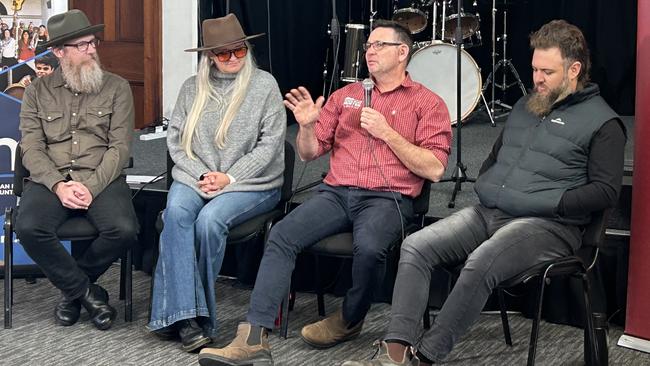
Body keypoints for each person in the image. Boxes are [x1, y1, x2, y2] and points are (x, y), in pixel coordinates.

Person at [342, 19, 626, 366]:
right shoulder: (526, 106)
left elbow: (605, 192)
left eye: (547, 72)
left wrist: (552, 202)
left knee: (480, 263)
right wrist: (491, 187)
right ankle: (395, 354)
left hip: (549, 225)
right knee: (416, 246)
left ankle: (426, 357)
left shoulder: (604, 123)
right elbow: (493, 159)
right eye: (535, 68)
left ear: (574, 69)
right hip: (490, 213)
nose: (537, 78)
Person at [199, 19, 452, 366]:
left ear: (403, 52)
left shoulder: (428, 103)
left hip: (387, 196)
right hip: (336, 193)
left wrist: (388, 133)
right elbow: (308, 152)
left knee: (371, 248)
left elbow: (435, 169)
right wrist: (305, 126)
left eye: (380, 45)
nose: (370, 51)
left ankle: (350, 318)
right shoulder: (345, 96)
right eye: (368, 46)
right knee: (283, 235)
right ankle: (253, 336)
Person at [147, 13, 286, 353]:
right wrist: (201, 175)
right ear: (209, 56)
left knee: (209, 221)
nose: (233, 59)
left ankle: (189, 318)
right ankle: (188, 320)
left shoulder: (264, 85)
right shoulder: (192, 88)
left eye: (239, 51)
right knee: (175, 216)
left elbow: (270, 145)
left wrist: (230, 176)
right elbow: (176, 142)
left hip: (251, 182)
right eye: (223, 54)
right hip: (197, 177)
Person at [16, 9, 138, 331]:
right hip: (51, 179)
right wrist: (58, 185)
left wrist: (91, 187)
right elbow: (31, 147)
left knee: (124, 228)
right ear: (58, 52)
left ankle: (71, 294)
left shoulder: (117, 87)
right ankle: (86, 293)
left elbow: (120, 147)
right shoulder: (36, 92)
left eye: (92, 42)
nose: (91, 50)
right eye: (81, 45)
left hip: (102, 176)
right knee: (28, 226)